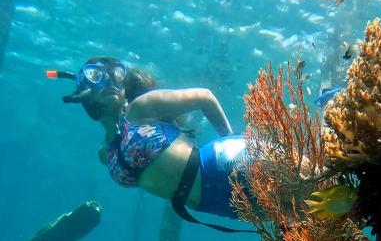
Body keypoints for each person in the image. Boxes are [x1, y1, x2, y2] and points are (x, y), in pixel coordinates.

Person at [46, 57, 253, 232]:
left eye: (116, 74)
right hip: (211, 203)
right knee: (282, 211)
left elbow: (205, 97)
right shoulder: (105, 153)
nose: (109, 80)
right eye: (96, 76)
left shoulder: (141, 108)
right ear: (82, 92)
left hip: (223, 163)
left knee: (285, 173)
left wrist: (230, 139)